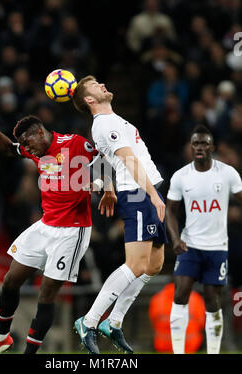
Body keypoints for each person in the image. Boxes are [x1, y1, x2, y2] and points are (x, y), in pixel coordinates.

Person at [0, 115, 116, 354]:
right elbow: (9, 149)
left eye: (28, 143)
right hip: (45, 225)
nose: (27, 150)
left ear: (40, 132)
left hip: (73, 230)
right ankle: (2, 338)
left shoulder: (75, 143)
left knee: (47, 292)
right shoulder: (35, 151)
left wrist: (105, 187)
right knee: (10, 280)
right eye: (25, 147)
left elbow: (105, 159)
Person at [72, 76, 167, 354]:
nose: (102, 85)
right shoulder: (104, 123)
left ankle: (113, 323)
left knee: (154, 265)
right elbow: (128, 160)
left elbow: (103, 159)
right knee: (136, 264)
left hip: (147, 189)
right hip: (139, 193)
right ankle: (88, 321)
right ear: (89, 100)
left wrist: (107, 186)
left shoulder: (111, 121)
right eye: (94, 86)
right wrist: (150, 194)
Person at [166, 124, 242, 354]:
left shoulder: (228, 173)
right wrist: (176, 239)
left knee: (213, 302)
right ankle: (178, 351)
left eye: (204, 143)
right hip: (190, 245)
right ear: (191, 147)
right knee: (179, 294)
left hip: (217, 247)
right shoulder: (181, 176)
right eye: (196, 143)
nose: (199, 147)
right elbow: (170, 210)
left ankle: (213, 351)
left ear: (212, 147)